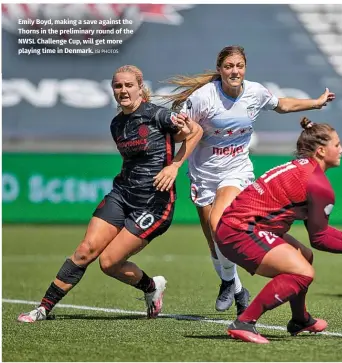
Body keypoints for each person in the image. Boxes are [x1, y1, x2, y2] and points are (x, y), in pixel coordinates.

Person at [17, 65, 203, 323]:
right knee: (85, 250)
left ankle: (151, 287)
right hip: (121, 195)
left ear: (140, 88)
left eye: (129, 85)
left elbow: (195, 132)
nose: (123, 90)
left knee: (109, 263)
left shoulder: (158, 115)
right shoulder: (117, 124)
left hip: (153, 204)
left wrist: (174, 166)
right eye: (118, 86)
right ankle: (43, 309)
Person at [163, 45, 336, 315]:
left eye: (239, 66)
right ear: (220, 69)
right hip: (203, 173)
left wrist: (315, 102)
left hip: (236, 170)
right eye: (229, 66)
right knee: (214, 240)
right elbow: (179, 134)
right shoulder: (203, 98)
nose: (235, 71)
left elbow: (282, 105)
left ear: (245, 68)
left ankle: (231, 282)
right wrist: (179, 136)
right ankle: (233, 285)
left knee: (219, 222)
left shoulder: (255, 93)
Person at [214, 117, 342, 344]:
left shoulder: (306, 169)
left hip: (239, 226)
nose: (341, 149)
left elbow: (319, 231)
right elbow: (319, 238)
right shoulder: (318, 185)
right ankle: (245, 322)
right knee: (302, 273)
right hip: (239, 230)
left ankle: (300, 319)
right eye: (336, 145)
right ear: (321, 151)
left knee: (305, 257)